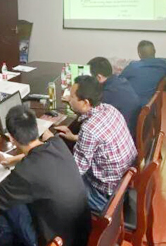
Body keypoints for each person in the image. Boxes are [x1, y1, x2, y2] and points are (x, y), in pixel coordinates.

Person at [0, 106, 91, 246]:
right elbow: (35, 153)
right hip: (81, 244)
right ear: (36, 128)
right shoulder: (57, 144)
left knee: (6, 211)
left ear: (11, 138)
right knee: (10, 211)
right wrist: (10, 160)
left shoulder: (26, 172)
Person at [54, 75, 137, 213]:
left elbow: (75, 171)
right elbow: (102, 141)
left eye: (72, 97)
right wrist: (74, 137)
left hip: (105, 195)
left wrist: (51, 145)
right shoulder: (109, 109)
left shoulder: (89, 129)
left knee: (54, 182)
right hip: (123, 182)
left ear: (85, 102)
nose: (68, 99)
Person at [87, 57, 141, 137]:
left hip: (122, 134)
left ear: (99, 77)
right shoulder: (121, 80)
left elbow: (91, 114)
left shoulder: (107, 94)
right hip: (132, 126)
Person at [119, 40, 166, 105]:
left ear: (139, 54)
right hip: (149, 103)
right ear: (155, 51)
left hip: (131, 104)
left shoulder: (133, 66)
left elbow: (118, 81)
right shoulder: (163, 64)